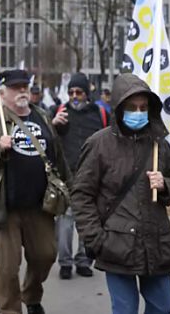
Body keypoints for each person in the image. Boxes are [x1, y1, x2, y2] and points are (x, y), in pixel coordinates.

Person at [72, 73, 170, 314]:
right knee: (125, 309)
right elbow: (81, 195)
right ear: (119, 109)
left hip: (156, 242)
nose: (138, 112)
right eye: (132, 107)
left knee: (163, 306)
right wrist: (96, 239)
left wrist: (165, 185)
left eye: (143, 107)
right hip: (116, 244)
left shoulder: (158, 143)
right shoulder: (99, 144)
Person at [0, 69, 69, 314]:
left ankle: (31, 295)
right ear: (2, 93)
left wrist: (69, 187)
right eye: (16, 87)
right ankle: (10, 310)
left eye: (25, 86)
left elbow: (58, 157)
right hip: (4, 210)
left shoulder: (43, 117)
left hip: (39, 207)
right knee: (6, 270)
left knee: (45, 256)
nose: (22, 91)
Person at [51, 73, 108, 280]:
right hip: (67, 176)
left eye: (79, 92)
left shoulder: (99, 113)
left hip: (93, 176)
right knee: (65, 222)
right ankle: (65, 262)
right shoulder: (59, 112)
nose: (75, 96)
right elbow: (45, 140)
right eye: (71, 92)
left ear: (87, 94)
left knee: (88, 220)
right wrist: (53, 124)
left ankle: (84, 260)